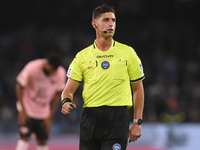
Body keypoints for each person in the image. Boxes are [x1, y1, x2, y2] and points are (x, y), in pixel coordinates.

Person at [61, 4, 145, 150]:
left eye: (113, 20)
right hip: (90, 118)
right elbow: (68, 90)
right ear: (94, 24)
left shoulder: (128, 53)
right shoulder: (82, 57)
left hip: (117, 118)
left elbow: (138, 89)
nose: (111, 24)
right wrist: (66, 102)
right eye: (106, 20)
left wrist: (137, 122)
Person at [15, 53, 66, 150]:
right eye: (51, 70)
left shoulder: (60, 73)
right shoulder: (32, 67)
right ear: (47, 64)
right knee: (24, 138)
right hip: (27, 109)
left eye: (54, 71)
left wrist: (50, 116)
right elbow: (19, 86)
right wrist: (23, 110)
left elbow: (57, 94)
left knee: (42, 140)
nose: (52, 73)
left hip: (43, 112)